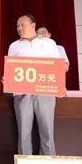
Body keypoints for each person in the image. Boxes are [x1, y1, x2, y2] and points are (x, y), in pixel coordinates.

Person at [9, 15, 61, 155]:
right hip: (22, 93)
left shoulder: (49, 43)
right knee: (23, 132)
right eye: (17, 26)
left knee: (47, 131)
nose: (19, 28)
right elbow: (11, 69)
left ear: (33, 25)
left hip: (45, 92)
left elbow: (57, 67)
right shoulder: (14, 46)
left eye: (22, 25)